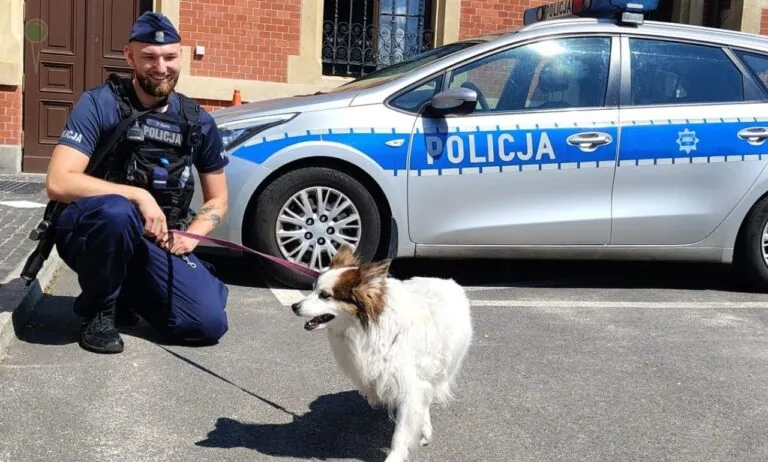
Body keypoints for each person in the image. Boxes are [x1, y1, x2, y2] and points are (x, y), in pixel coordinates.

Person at [45, 12, 230, 354]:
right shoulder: (99, 104)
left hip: (155, 240)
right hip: (93, 230)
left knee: (206, 324)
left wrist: (194, 233)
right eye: (149, 57)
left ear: (181, 55)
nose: (161, 67)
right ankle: (99, 311)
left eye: (170, 57)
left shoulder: (197, 121)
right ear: (130, 56)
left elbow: (217, 199)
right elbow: (58, 181)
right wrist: (138, 196)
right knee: (116, 211)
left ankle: (129, 290)